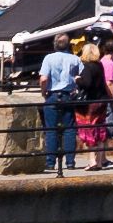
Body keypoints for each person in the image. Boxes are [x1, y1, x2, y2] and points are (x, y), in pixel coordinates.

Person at [35, 40, 83, 172]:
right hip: (68, 95)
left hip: (52, 95)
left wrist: (44, 92)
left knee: (51, 130)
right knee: (69, 129)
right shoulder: (75, 59)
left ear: (55, 45)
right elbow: (81, 76)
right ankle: (70, 162)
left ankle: (50, 162)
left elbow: (43, 79)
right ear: (68, 45)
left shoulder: (49, 58)